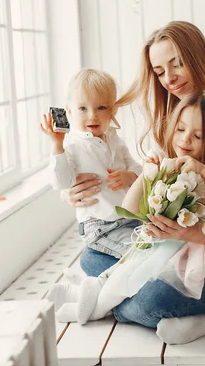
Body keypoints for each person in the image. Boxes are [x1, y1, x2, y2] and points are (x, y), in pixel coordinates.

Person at [59, 21, 205, 345]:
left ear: (199, 57)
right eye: (159, 71)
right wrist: (79, 189)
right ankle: (194, 316)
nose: (168, 78)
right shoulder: (177, 115)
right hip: (189, 250)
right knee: (93, 256)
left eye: (177, 63)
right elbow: (154, 184)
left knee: (152, 297)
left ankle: (116, 304)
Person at [39, 69, 142, 309]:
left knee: (151, 246)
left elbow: (138, 170)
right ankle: (90, 291)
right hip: (100, 224)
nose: (92, 116)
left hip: (128, 219)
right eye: (83, 108)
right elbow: (61, 181)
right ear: (70, 111)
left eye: (101, 108)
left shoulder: (115, 139)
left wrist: (128, 176)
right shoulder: (72, 144)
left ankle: (88, 283)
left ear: (113, 110)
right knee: (137, 256)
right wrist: (57, 145)